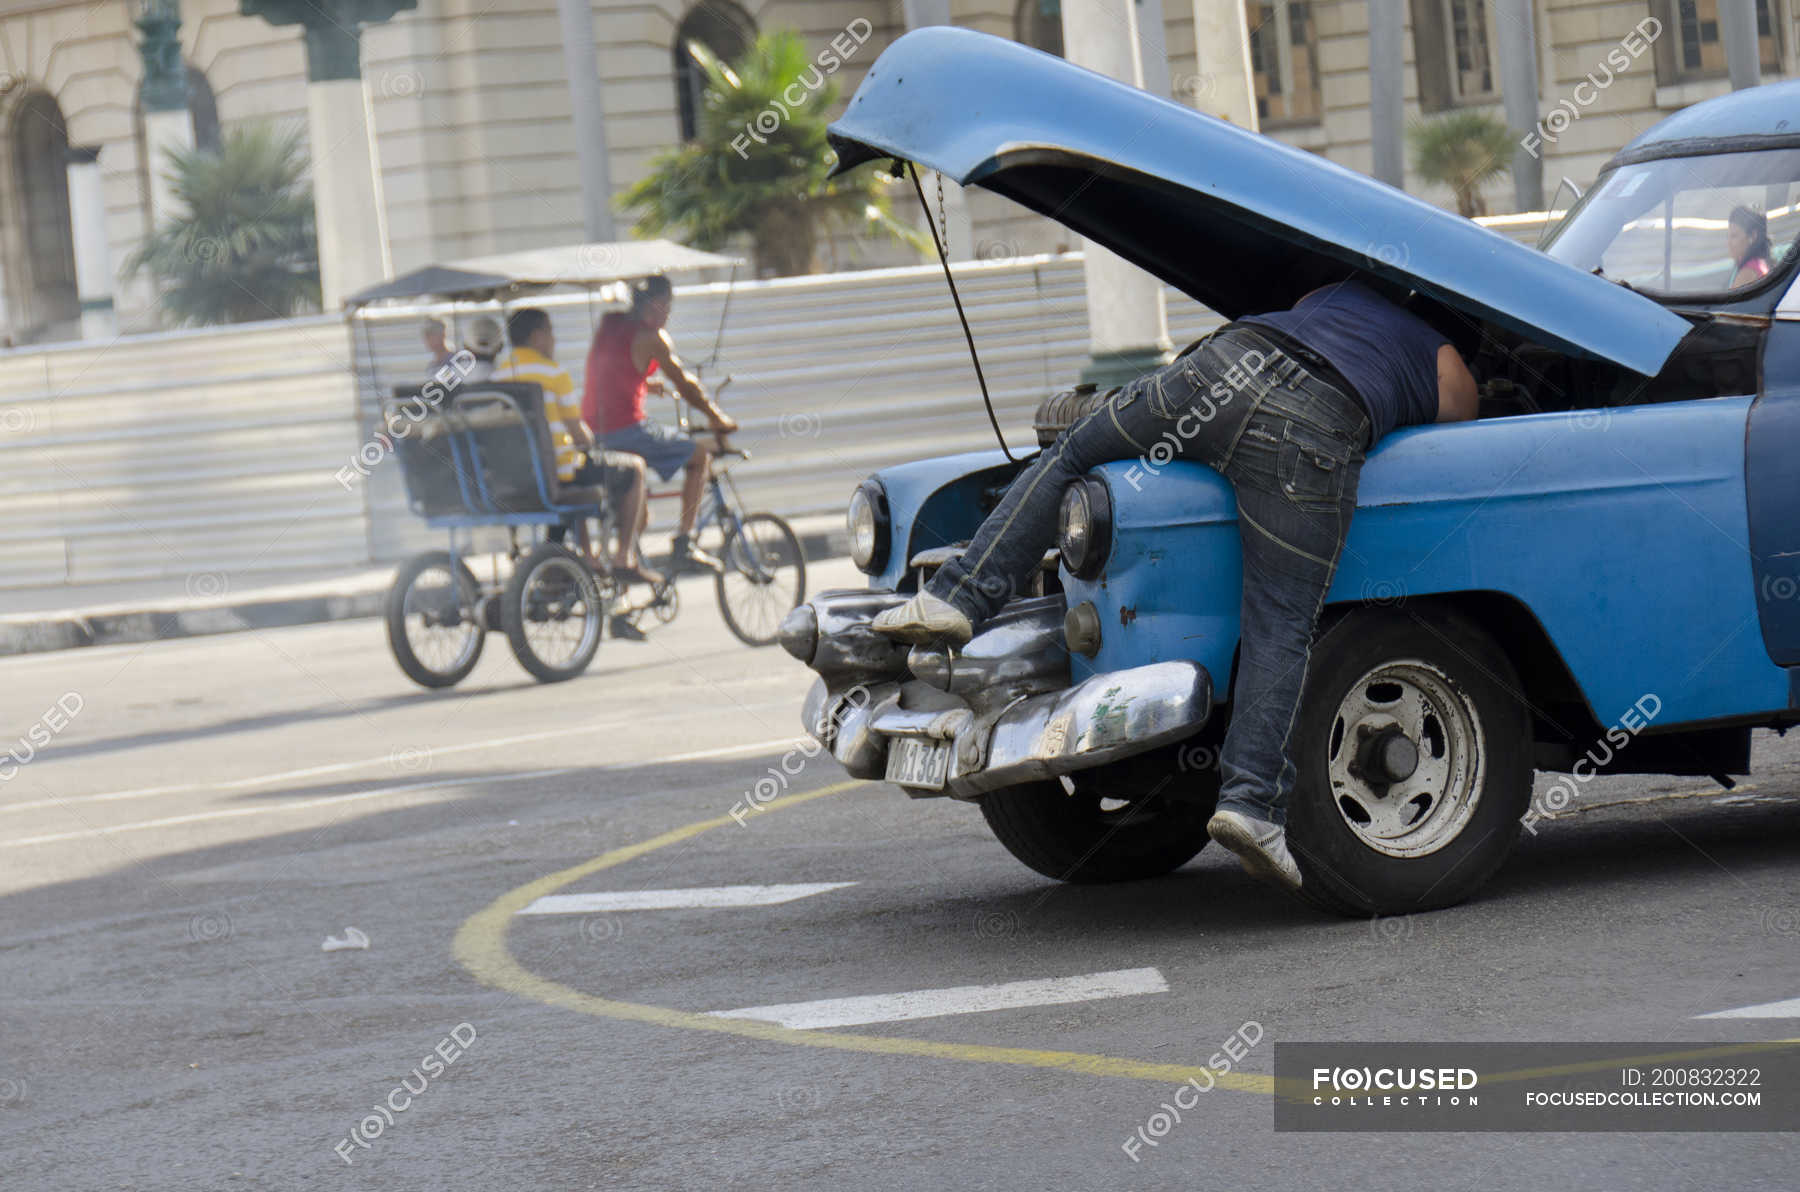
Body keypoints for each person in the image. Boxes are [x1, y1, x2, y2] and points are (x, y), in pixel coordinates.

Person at [871, 279, 1480, 895]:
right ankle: (1250, 808)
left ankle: (956, 599)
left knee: (1071, 455)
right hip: (1313, 428)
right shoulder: (1442, 354)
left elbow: (1291, 320)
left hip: (1222, 372)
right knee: (1281, 622)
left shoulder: (1329, 293)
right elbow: (1460, 425)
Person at [495, 308, 659, 587]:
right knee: (634, 468)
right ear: (537, 337)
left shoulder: (499, 374)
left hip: (519, 475)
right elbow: (578, 433)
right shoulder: (553, 373)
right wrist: (587, 436)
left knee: (577, 468)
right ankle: (623, 557)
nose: (554, 340)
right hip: (558, 472)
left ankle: (588, 556)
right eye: (550, 333)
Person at [586, 275, 739, 573]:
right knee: (699, 456)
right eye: (668, 306)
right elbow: (685, 385)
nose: (668, 313)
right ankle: (685, 542)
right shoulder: (653, 338)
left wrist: (643, 383)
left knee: (640, 516)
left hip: (595, 430)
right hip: (626, 430)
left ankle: (622, 577)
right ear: (658, 304)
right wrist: (717, 417)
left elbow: (614, 368)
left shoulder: (610, 324)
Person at [1727, 205, 1773, 289]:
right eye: (1728, 236)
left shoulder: (1748, 274)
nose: (1728, 243)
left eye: (1734, 236)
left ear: (1752, 236)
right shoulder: (1761, 263)